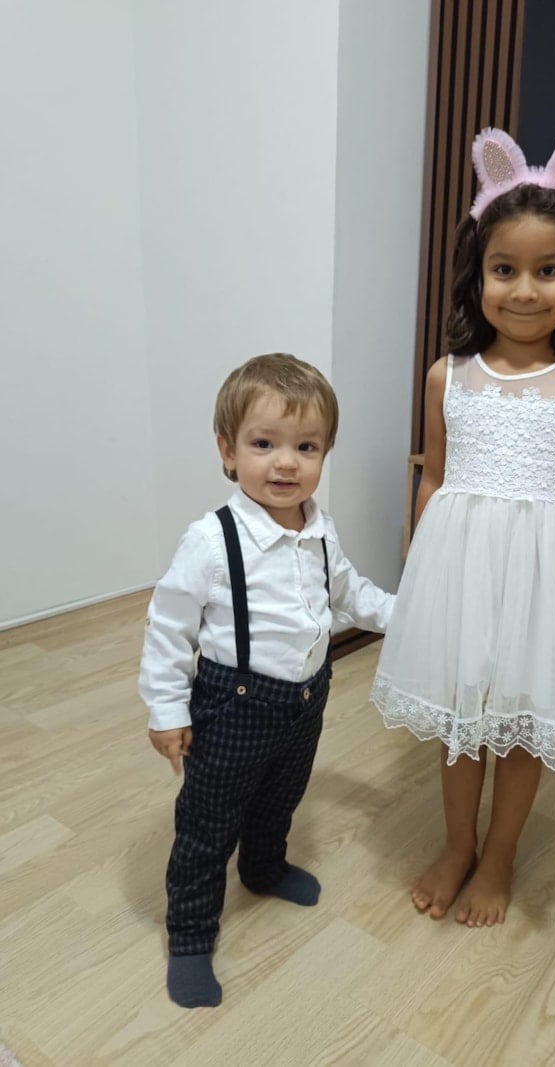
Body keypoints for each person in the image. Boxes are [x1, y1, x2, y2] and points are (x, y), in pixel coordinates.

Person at [371, 128, 555, 929]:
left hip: (543, 587)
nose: (525, 290)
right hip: (459, 576)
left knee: (520, 728)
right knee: (461, 722)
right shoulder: (447, 376)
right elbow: (435, 479)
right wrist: (419, 578)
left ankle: (501, 852)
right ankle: (458, 843)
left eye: (548, 270)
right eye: (504, 269)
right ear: (477, 275)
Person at [140, 353, 394, 1008]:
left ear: (325, 452)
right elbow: (168, 630)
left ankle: (263, 867)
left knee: (281, 796)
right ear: (228, 451)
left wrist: (408, 616)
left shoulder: (321, 531)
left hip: (305, 701)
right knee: (207, 824)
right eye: (263, 444)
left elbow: (352, 594)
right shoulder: (210, 540)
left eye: (305, 447)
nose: (285, 463)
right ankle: (190, 933)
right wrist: (167, 710)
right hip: (232, 707)